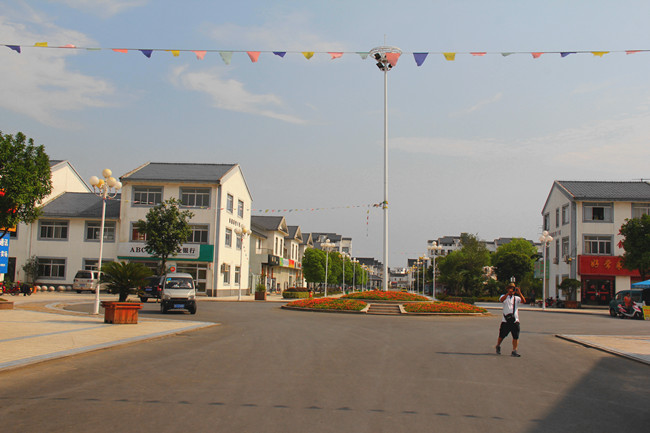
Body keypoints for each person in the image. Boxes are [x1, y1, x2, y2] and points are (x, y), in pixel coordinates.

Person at [496, 283, 526, 357]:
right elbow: (501, 300)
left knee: (515, 336)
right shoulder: (504, 296)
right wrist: (507, 294)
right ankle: (498, 345)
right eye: (510, 288)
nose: (511, 290)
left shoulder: (516, 298)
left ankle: (514, 350)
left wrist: (520, 293)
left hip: (515, 320)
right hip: (505, 320)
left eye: (513, 288)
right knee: (502, 335)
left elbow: (524, 301)